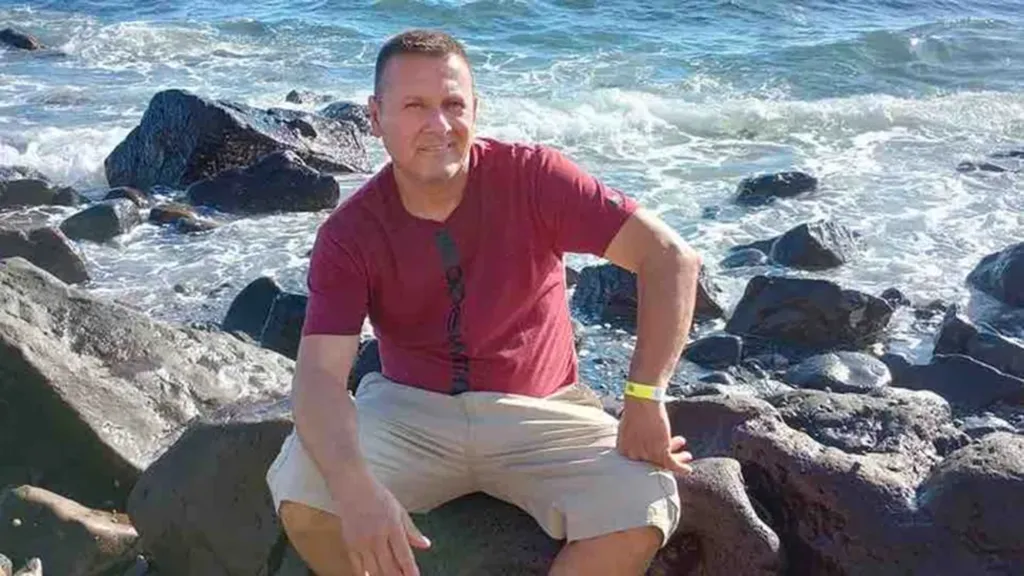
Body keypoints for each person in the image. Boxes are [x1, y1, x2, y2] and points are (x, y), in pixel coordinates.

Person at [266, 29, 703, 576]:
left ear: (477, 109)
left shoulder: (534, 178)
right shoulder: (350, 233)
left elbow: (670, 258)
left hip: (541, 411)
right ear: (375, 118)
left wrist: (644, 395)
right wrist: (355, 490)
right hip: (408, 412)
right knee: (304, 495)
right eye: (415, 106)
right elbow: (319, 378)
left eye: (453, 104)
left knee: (642, 502)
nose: (438, 124)